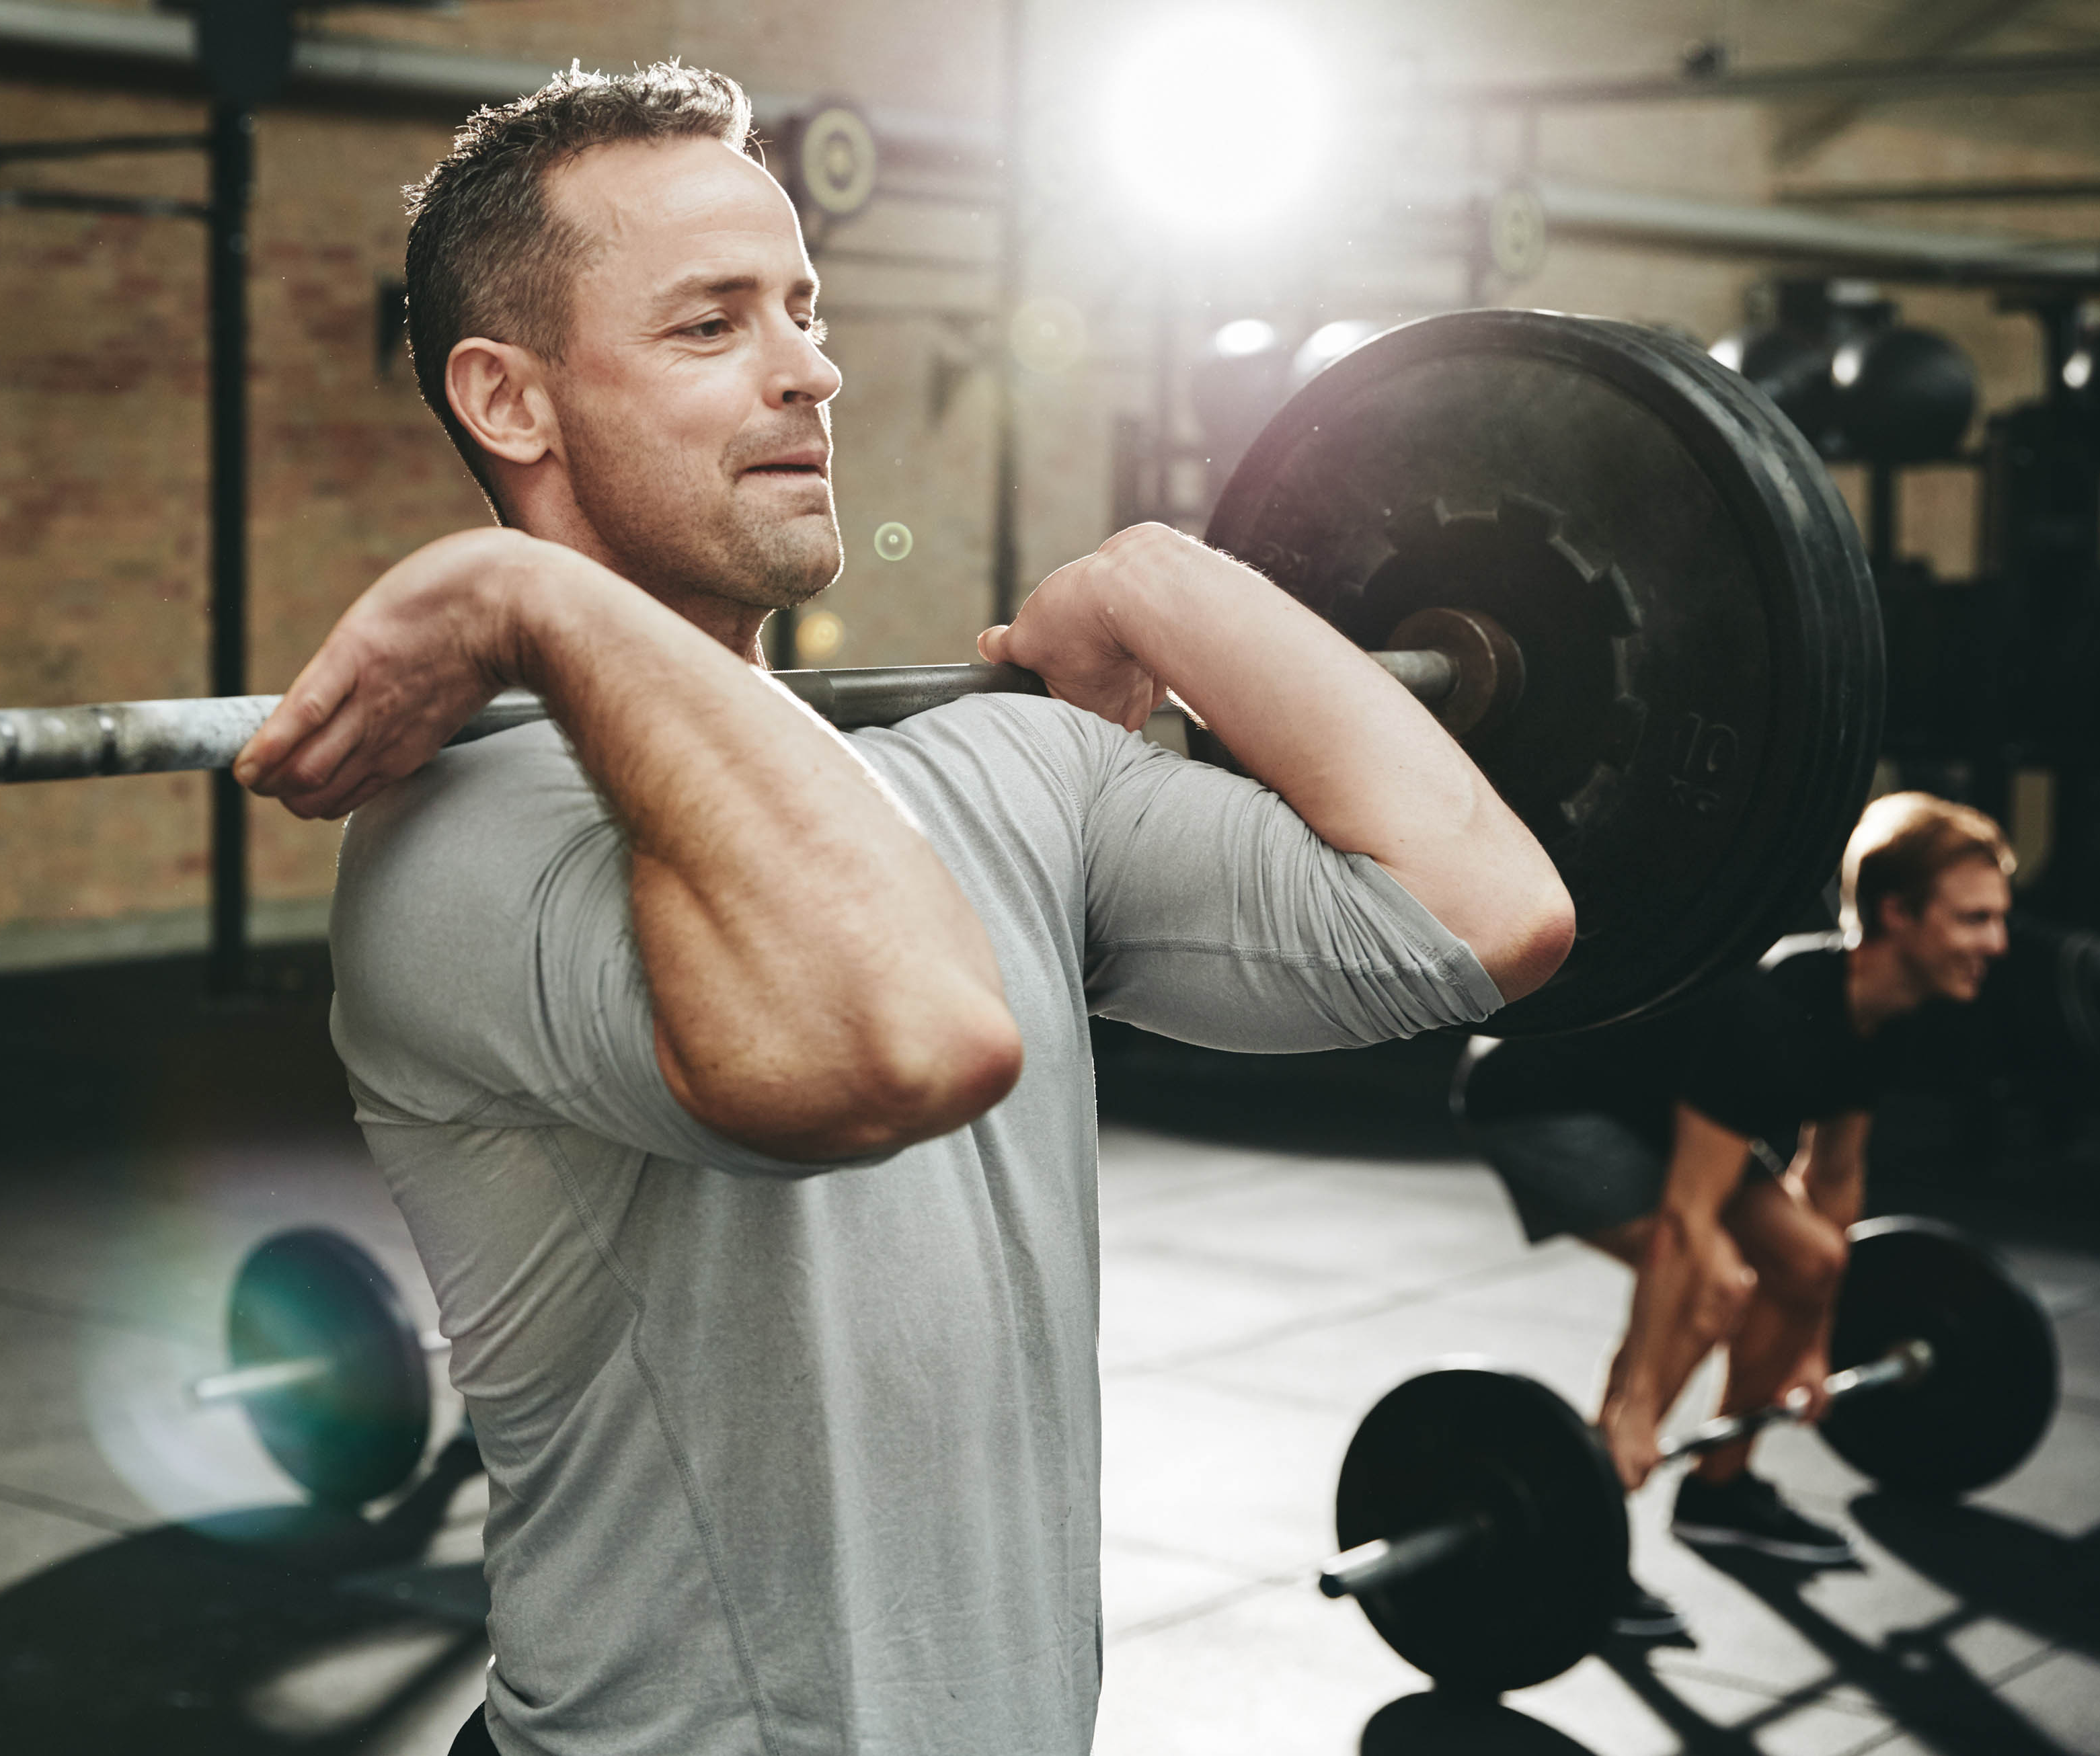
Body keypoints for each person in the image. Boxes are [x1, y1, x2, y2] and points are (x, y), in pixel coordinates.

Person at [235, 63, 1573, 1756]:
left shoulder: (996, 765)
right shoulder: (466, 843)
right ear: (510, 402)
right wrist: (528, 600)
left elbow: (1482, 914)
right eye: (711, 325)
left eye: (801, 306)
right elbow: (901, 1041)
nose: (811, 367)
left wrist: (1165, 583)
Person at [1455, 791, 2015, 1638]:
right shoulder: (1768, 1016)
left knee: (1812, 1259)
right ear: (1899, 914)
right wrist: (1640, 1402)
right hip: (1542, 1089)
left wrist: (1815, 1343)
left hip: (1659, 1097)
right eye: (1975, 919)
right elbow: (1685, 1221)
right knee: (1714, 1281)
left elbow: (1833, 1179)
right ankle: (1585, 1535)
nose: (1996, 944)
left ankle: (1720, 1491)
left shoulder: (1882, 1009)